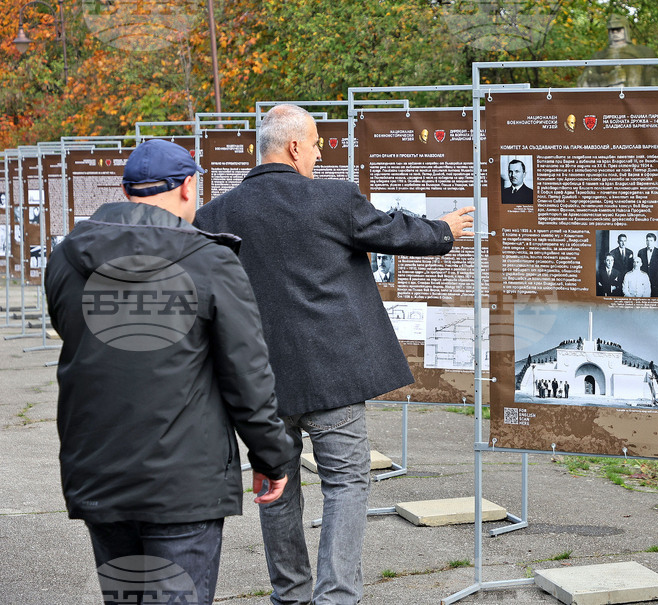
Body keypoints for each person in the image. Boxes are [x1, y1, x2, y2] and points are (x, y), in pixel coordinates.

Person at [194, 104, 474, 605]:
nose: (321, 154)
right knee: (346, 485)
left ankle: (290, 595)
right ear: (296, 146)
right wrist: (445, 229)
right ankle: (337, 597)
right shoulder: (334, 198)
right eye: (319, 144)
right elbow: (394, 232)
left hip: (260, 386)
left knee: (275, 489)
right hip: (332, 379)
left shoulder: (216, 215)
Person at [44, 139, 297, 605]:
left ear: (128, 190)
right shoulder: (211, 260)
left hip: (100, 472)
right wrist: (271, 456)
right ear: (186, 187)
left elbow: (72, 333)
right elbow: (247, 374)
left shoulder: (67, 257)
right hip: (184, 482)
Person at [577, 14, 658, 87]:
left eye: (618, 29)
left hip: (636, 100)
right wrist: (608, 79)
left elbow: (653, 82)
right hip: (606, 100)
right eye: (611, 30)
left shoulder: (643, 52)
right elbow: (583, 82)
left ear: (625, 29)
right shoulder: (599, 56)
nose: (615, 33)